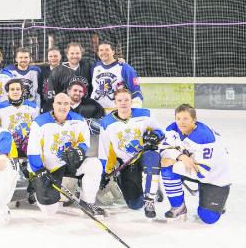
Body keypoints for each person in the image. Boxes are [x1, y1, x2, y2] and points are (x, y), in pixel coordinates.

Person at [27, 92, 103, 216]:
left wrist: (79, 150)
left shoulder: (78, 120)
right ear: (53, 105)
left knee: (94, 164)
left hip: (70, 162)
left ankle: (87, 202)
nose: (62, 107)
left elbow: (85, 141)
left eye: (66, 103)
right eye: (59, 103)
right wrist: (40, 171)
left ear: (70, 105)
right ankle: (36, 188)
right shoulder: (40, 123)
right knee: (50, 211)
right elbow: (33, 151)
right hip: (48, 168)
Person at [98, 88, 164, 217]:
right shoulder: (107, 122)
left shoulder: (145, 114)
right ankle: (138, 185)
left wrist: (155, 136)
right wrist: (104, 172)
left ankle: (151, 190)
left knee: (151, 156)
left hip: (144, 156)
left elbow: (162, 133)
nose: (123, 103)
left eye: (126, 100)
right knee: (135, 205)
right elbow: (104, 149)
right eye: (119, 100)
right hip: (127, 163)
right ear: (115, 103)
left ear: (131, 101)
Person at [160, 104, 231, 224]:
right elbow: (163, 149)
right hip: (193, 168)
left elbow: (202, 173)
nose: (181, 122)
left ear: (194, 120)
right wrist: (181, 156)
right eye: (178, 118)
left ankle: (219, 201)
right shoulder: (172, 128)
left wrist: (174, 160)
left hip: (214, 177)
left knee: (208, 218)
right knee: (167, 169)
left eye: (185, 118)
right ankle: (179, 207)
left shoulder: (204, 137)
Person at [0, 79, 40, 202]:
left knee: (37, 157)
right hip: (9, 146)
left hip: (26, 145)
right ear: (7, 92)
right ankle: (6, 192)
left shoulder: (32, 107)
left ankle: (33, 188)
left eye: (18, 89)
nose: (15, 91)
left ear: (22, 91)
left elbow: (37, 129)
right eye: (12, 89)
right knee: (7, 168)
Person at [90, 41, 143, 111]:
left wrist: (135, 109)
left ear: (113, 52)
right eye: (101, 50)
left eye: (107, 50)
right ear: (98, 53)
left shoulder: (124, 68)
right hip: (96, 113)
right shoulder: (94, 67)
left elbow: (136, 91)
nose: (103, 52)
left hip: (116, 113)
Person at [44, 42, 94, 112]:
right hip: (65, 110)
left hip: (84, 109)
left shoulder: (88, 67)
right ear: (67, 55)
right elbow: (50, 96)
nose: (75, 56)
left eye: (77, 53)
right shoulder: (57, 71)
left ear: (81, 54)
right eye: (72, 53)